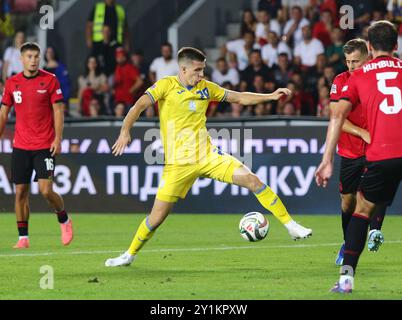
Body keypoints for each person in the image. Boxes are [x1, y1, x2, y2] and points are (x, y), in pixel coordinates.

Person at [105, 47, 312, 267]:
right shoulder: (166, 85)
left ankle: (291, 225)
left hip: (208, 156)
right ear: (183, 69)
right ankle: (129, 254)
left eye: (203, 70)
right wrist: (125, 130)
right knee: (156, 218)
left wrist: (270, 96)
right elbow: (138, 106)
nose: (202, 75)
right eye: (197, 70)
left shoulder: (206, 88)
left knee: (253, 180)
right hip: (177, 164)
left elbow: (239, 98)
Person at [315, 21, 402, 293]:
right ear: (396, 46)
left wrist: (326, 160)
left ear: (369, 47)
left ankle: (346, 278)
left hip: (380, 154)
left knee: (361, 212)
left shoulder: (358, 77)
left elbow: (337, 115)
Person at [0, 42, 74, 249]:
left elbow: (58, 111)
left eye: (36, 56)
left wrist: (58, 138)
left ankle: (64, 219)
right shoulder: (12, 83)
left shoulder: (50, 80)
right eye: (29, 56)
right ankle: (23, 238)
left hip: (45, 144)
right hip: (20, 146)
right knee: (20, 192)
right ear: (22, 59)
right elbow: (3, 114)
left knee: (45, 190)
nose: (33, 60)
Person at [329, 38, 387, 267]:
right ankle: (347, 242)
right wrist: (362, 132)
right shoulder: (341, 81)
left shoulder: (378, 80)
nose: (351, 66)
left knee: (375, 190)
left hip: (376, 148)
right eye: (348, 61)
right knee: (347, 202)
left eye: (356, 61)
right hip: (350, 151)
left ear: (369, 58)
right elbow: (337, 118)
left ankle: (375, 231)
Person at [113, 47, 143, 112]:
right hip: (118, 99)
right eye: (118, 57)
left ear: (125, 57)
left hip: (127, 101)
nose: (120, 59)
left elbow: (140, 82)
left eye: (122, 56)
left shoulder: (130, 68)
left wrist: (130, 91)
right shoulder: (117, 68)